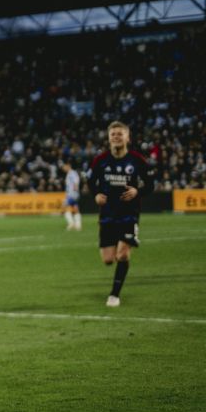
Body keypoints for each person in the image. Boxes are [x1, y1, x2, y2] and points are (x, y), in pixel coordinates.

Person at [89, 121, 155, 307]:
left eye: (120, 134)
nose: (116, 137)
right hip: (107, 215)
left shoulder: (137, 160)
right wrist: (96, 195)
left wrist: (137, 192)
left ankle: (114, 295)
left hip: (129, 214)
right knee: (108, 260)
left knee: (123, 255)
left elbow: (150, 184)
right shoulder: (100, 160)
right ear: (109, 138)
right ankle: (124, 244)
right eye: (113, 134)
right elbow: (90, 181)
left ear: (127, 137)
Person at [62, 162, 83, 232]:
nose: (63, 168)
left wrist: (75, 191)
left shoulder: (72, 173)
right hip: (73, 194)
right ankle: (78, 225)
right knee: (75, 209)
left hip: (72, 194)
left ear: (68, 165)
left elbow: (76, 182)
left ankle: (71, 223)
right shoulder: (69, 174)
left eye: (64, 166)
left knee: (64, 206)